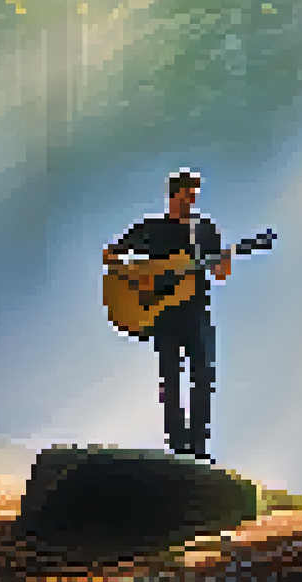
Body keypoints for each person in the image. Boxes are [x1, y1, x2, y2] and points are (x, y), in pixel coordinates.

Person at [102, 169, 231, 461]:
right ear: (172, 196)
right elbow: (110, 256)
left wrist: (223, 263)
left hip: (197, 312)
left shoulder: (205, 229)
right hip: (161, 313)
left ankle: (198, 448)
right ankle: (177, 446)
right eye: (186, 196)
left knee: (203, 376)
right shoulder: (151, 229)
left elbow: (222, 274)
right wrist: (140, 274)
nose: (190, 202)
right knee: (170, 378)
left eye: (194, 197)